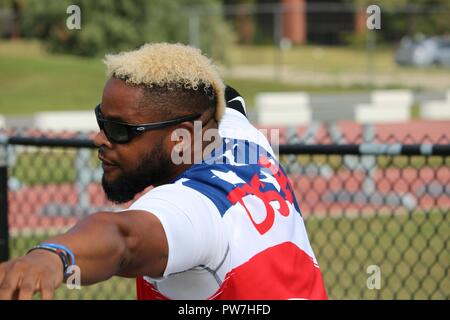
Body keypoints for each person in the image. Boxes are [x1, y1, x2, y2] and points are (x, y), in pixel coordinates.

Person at [0, 43, 327, 300]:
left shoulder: (195, 208)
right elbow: (228, 96)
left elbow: (123, 238)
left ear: (180, 136)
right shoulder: (243, 140)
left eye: (119, 129)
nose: (100, 138)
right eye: (102, 120)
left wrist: (54, 257)